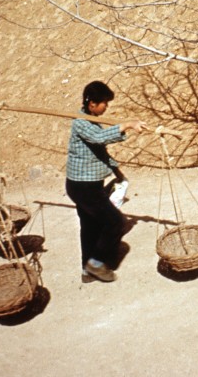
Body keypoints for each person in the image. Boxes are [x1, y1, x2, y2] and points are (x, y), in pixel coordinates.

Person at [67, 81, 145, 282]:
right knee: (115, 222)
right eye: (104, 103)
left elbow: (99, 151)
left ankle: (87, 269)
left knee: (90, 225)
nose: (106, 107)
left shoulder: (90, 118)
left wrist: (116, 171)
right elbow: (99, 138)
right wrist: (127, 124)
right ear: (92, 103)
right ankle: (96, 262)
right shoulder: (81, 122)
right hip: (83, 186)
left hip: (86, 184)